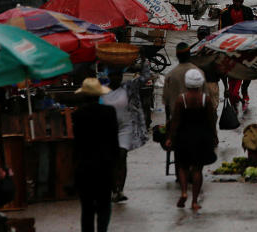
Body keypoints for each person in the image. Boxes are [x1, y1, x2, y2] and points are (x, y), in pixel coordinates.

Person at [101, 62, 154, 202]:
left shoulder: (128, 88)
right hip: (108, 129)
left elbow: (146, 76)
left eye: (119, 75)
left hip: (125, 128)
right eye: (113, 75)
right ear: (108, 76)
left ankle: (120, 189)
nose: (116, 78)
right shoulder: (101, 90)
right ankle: (113, 189)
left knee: (122, 156)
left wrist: (143, 61)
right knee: (112, 160)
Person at [166, 69, 218, 211]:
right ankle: (194, 201)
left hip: (183, 137)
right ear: (200, 84)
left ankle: (183, 192)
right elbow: (211, 120)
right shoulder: (205, 99)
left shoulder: (181, 99)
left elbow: (175, 121)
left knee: (182, 166)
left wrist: (170, 138)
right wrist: (214, 135)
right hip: (201, 137)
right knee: (197, 169)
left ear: (187, 84)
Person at [73, 78, 120, 232]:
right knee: (104, 206)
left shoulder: (78, 115)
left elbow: (77, 144)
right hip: (105, 167)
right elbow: (114, 141)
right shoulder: (109, 112)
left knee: (87, 208)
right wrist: (116, 167)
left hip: (84, 167)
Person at [163, 42, 201, 118]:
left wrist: (168, 121)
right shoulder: (198, 73)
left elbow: (167, 101)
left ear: (177, 56)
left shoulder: (170, 75)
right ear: (189, 55)